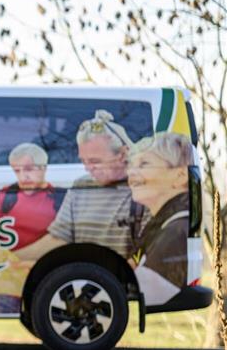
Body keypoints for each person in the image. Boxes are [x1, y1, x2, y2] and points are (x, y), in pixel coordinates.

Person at [15, 109, 139, 263]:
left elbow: (148, 256)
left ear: (122, 154)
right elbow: (59, 238)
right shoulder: (82, 185)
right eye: (83, 161)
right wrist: (10, 260)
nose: (87, 168)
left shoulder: (144, 190)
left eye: (95, 161)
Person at [0, 143, 63, 313]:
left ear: (43, 167)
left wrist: (32, 263)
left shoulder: (60, 198)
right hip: (8, 283)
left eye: (29, 169)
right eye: (17, 171)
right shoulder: (6, 195)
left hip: (46, 278)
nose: (23, 177)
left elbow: (66, 240)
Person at [127, 132, 192, 305]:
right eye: (131, 165)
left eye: (144, 164)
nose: (131, 173)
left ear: (180, 176)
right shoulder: (162, 225)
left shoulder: (175, 232)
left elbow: (148, 293)